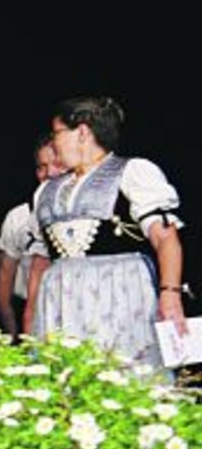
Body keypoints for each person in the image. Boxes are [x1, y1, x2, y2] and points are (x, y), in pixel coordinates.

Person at [27, 96, 186, 365]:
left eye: (57, 134)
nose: (54, 143)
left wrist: (170, 293)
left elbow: (166, 238)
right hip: (60, 302)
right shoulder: (46, 191)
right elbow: (40, 262)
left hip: (119, 294)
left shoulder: (131, 172)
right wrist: (30, 315)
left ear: (83, 132)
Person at [0, 135, 63, 340]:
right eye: (42, 167)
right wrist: (12, 332)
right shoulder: (19, 218)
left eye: (57, 164)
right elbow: (5, 276)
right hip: (31, 313)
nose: (49, 173)